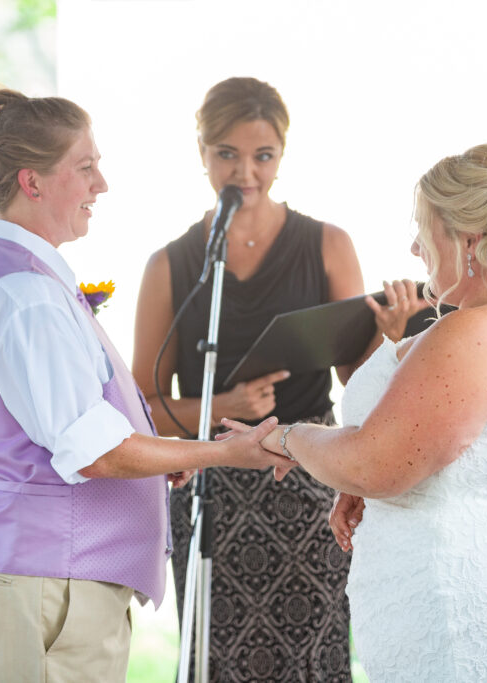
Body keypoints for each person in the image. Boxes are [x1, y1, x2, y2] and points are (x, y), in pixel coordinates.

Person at [0, 89, 294, 683]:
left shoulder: (35, 281)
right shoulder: (26, 298)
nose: (100, 184)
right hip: (44, 589)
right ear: (32, 182)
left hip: (58, 585)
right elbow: (97, 450)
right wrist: (224, 452)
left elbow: (87, 429)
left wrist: (161, 460)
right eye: (85, 168)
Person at [224, 142, 487, 681]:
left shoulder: (473, 333)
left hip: (464, 611)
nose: (415, 248)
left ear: (469, 241)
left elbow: (374, 464)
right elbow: (441, 452)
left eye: (426, 232)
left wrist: (289, 437)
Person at [132, 76, 422, 682]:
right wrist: (224, 404)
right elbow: (144, 406)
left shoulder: (326, 245)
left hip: (309, 485)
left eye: (262, 156)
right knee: (217, 657)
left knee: (310, 658)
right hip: (212, 490)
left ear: (282, 155)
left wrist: (390, 337)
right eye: (227, 155)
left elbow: (356, 379)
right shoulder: (170, 264)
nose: (246, 173)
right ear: (203, 153)